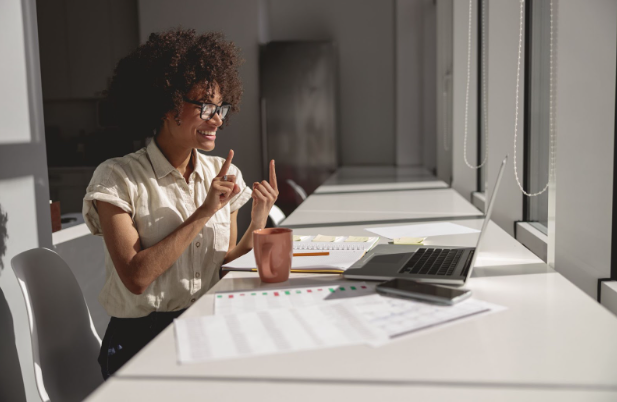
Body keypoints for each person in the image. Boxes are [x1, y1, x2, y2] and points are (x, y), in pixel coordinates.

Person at [82, 29, 278, 379]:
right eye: (204, 106)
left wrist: (258, 222)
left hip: (207, 327)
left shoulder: (224, 172)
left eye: (220, 107)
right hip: (139, 342)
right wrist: (204, 212)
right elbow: (136, 277)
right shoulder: (116, 178)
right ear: (166, 105)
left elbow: (224, 265)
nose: (217, 119)